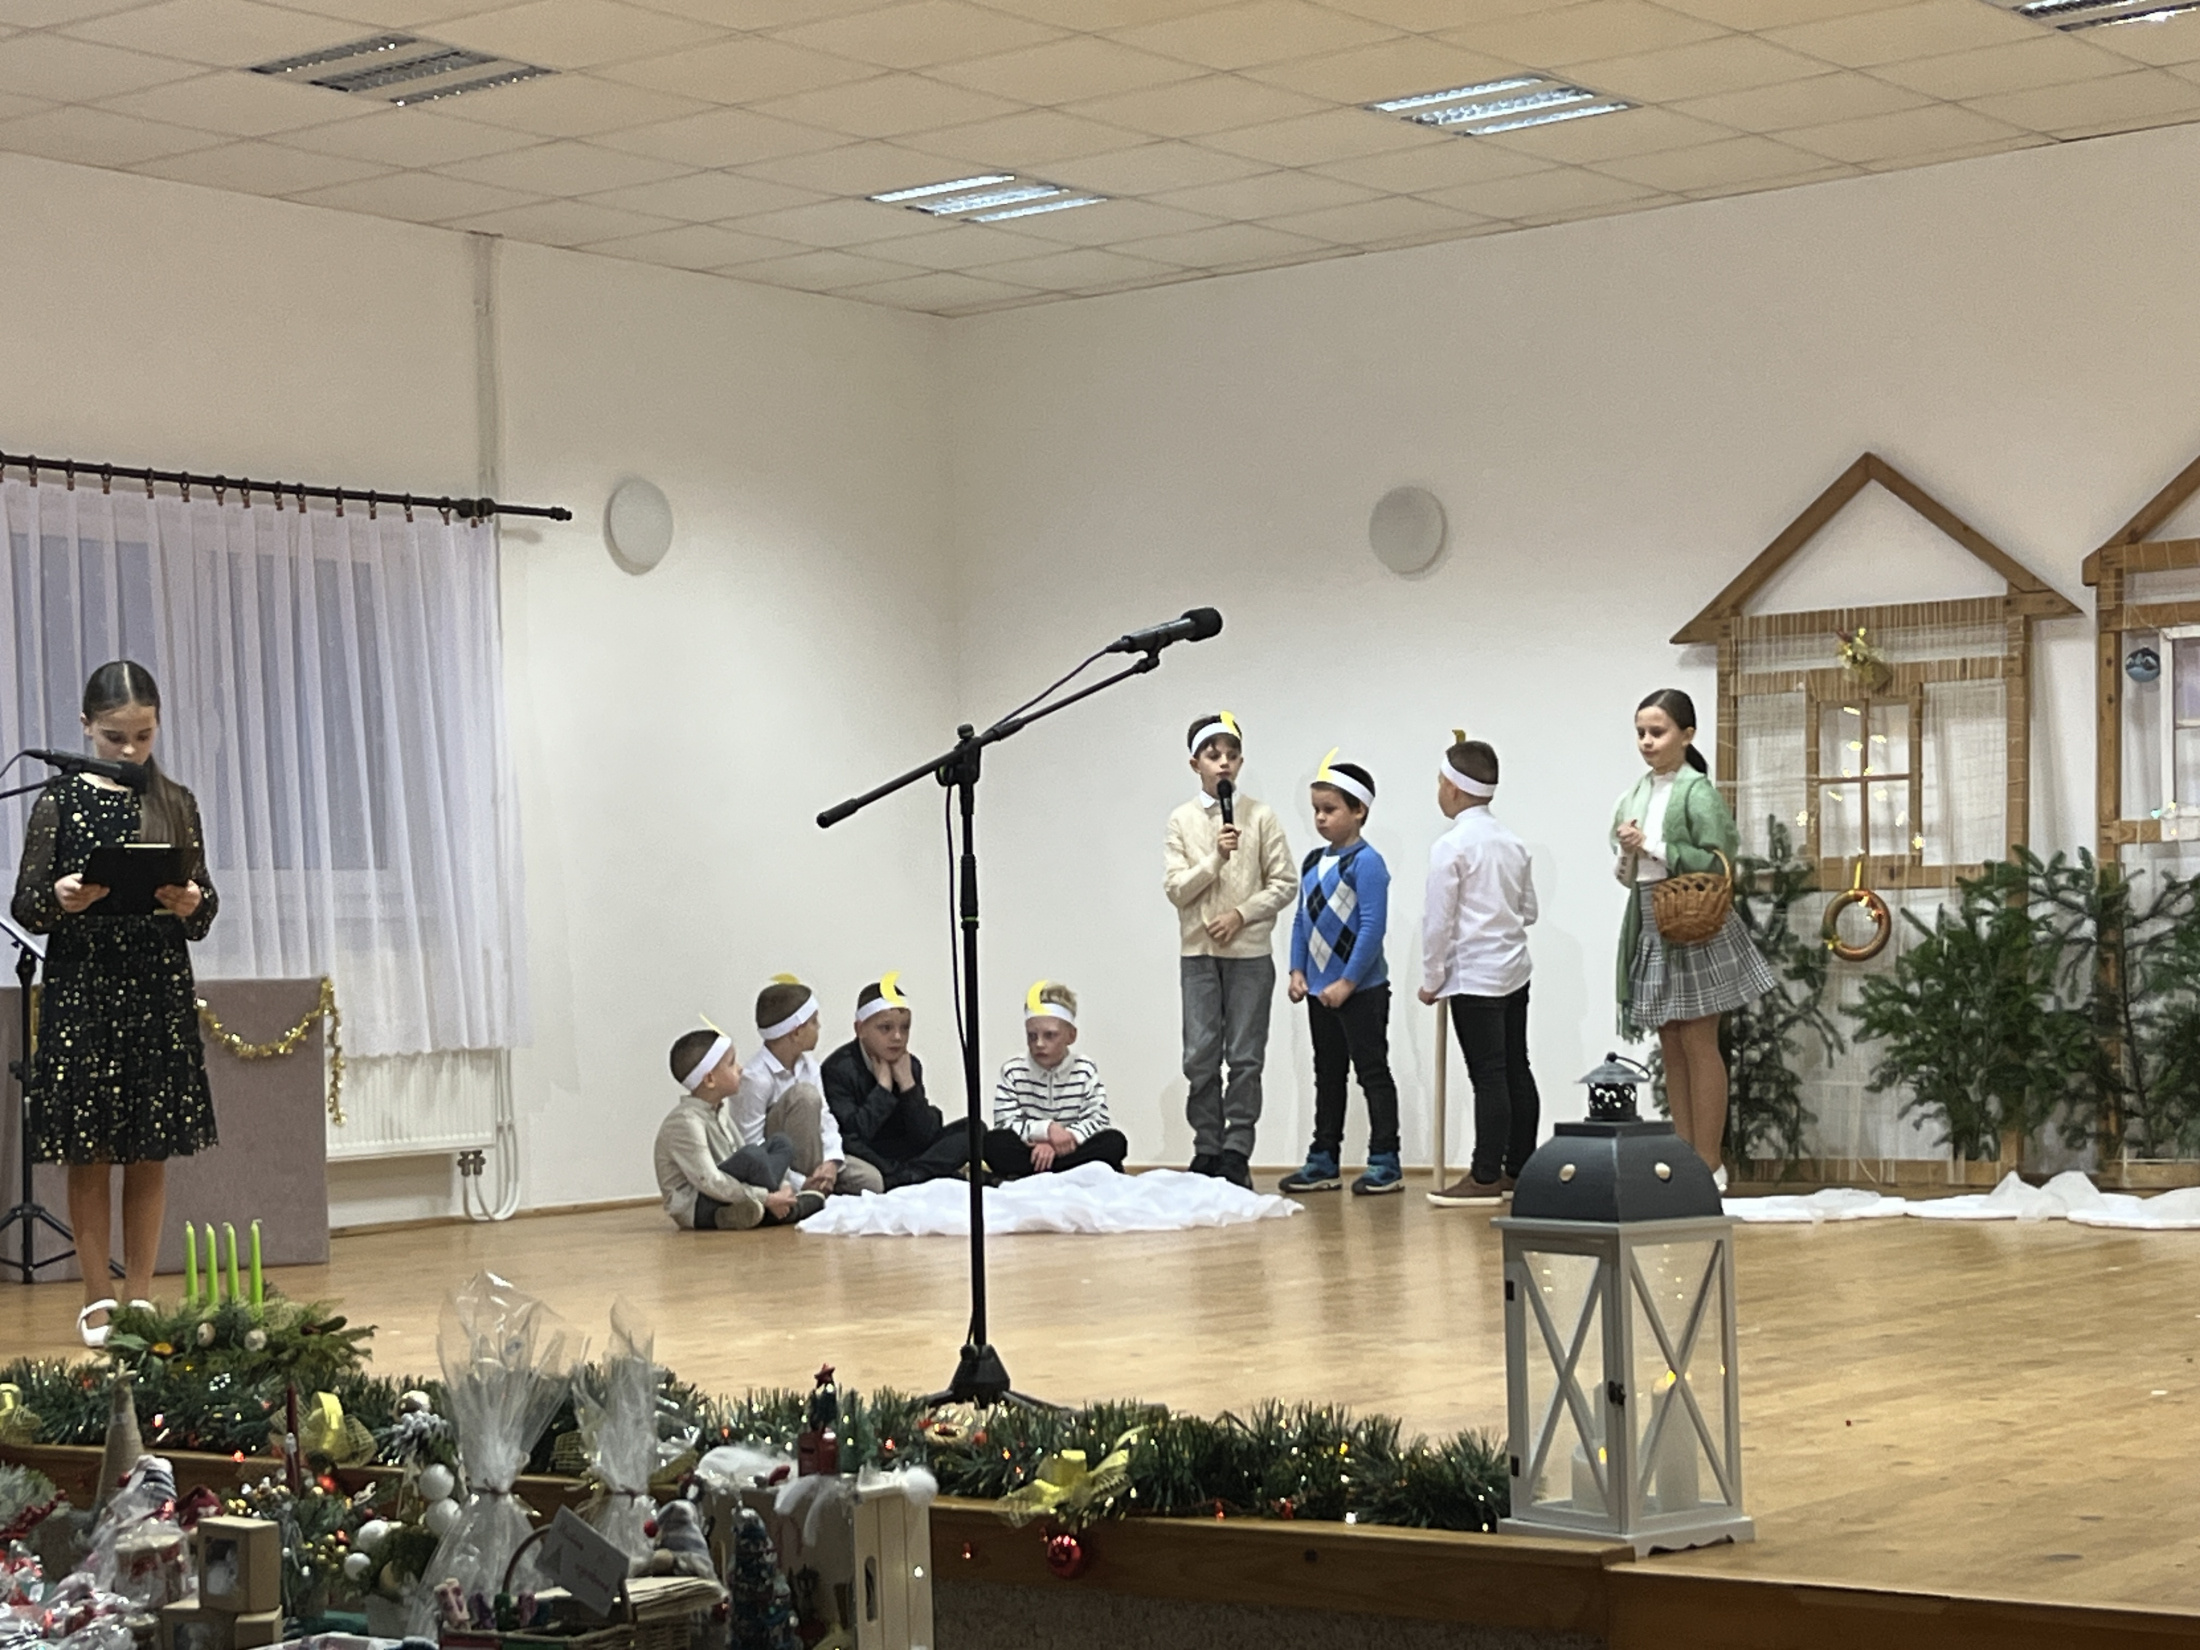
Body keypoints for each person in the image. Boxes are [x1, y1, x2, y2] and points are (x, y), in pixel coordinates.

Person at [11, 662, 218, 1348]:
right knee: (90, 1150)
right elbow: (27, 904)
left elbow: (204, 907)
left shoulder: (175, 800)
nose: (130, 750)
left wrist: (191, 901)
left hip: (156, 983)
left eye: (143, 736)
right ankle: (97, 1297)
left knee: (148, 1149)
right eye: (114, 737)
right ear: (85, 727)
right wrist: (61, 897)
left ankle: (141, 1297)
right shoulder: (60, 802)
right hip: (85, 986)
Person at [1612, 689, 1776, 1190]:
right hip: (1651, 914)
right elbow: (1626, 876)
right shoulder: (1633, 794)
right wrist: (1627, 852)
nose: (1647, 741)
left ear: (1687, 735)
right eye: (1641, 732)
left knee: (1698, 1039)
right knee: (1670, 1039)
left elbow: (1719, 857)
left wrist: (1653, 845)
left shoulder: (1697, 790)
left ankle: (1709, 1160)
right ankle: (1685, 1154)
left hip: (1694, 915)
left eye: (1657, 732)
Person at [1164, 711, 1295, 1189]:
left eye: (1232, 755)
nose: (1224, 763)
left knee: (1245, 1057)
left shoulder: (1261, 816)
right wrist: (1216, 857)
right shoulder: (1181, 820)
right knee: (1200, 1055)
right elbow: (1176, 889)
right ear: (1194, 763)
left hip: (1249, 956)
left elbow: (1285, 883)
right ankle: (1207, 1146)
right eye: (1213, 755)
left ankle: (1237, 1149)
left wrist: (1241, 915)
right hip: (1199, 955)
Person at [1420, 735, 1543, 1207]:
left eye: (1440, 781)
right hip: (1515, 970)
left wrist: (1432, 980)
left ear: (1453, 788)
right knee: (1516, 1067)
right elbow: (1529, 911)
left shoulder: (1450, 847)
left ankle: (1485, 1174)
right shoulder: (1513, 843)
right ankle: (1519, 1168)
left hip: (1473, 976)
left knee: (1487, 1075)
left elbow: (1438, 922)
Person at [1279, 754, 1401, 1196]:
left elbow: (1371, 927)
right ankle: (1323, 1158)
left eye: (1329, 809)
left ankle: (1385, 1159)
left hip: (1361, 991)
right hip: (1320, 992)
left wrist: (1348, 981)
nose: (1320, 818)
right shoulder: (1313, 861)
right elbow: (1301, 920)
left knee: (1372, 1072)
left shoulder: (1367, 863)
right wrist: (1297, 970)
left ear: (1359, 810)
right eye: (1316, 810)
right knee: (1327, 1075)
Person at [654, 1026, 826, 1231]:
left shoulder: (719, 1111)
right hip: (699, 1204)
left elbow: (741, 1156)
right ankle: (785, 1209)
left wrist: (784, 1186)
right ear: (709, 1079)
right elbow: (710, 1181)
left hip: (731, 1192)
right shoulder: (685, 1122)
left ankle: (753, 1211)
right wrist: (768, 1197)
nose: (740, 1068)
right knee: (752, 1155)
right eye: (731, 1063)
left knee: (781, 1144)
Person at [734, 977, 885, 1197]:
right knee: (804, 1096)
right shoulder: (755, 1078)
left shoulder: (809, 1067)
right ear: (796, 1032)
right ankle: (807, 1192)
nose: (819, 1026)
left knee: (872, 1182)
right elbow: (752, 1145)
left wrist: (831, 1162)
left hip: (816, 1157)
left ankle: (819, 1185)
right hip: (779, 1168)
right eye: (813, 1021)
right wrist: (799, 1182)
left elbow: (825, 1118)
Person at [820, 975, 968, 1189]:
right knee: (851, 1146)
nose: (898, 1037)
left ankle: (912, 1176)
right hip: (871, 1156)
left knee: (973, 1129)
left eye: (905, 1028)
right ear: (860, 1030)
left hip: (908, 1154)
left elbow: (926, 1137)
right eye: (886, 1028)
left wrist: (908, 1086)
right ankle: (919, 1174)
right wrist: (883, 1089)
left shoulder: (910, 1065)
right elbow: (851, 1136)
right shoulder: (838, 1068)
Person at [986, 981, 1128, 1180]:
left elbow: (1098, 1120)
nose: (1039, 1044)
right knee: (993, 1142)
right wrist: (1045, 1132)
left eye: (1050, 1035)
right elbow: (1005, 1122)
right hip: (1031, 1149)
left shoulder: (1084, 1069)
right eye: (1032, 1036)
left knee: (1114, 1141)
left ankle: (1042, 1171)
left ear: (1071, 1036)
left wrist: (1064, 1140)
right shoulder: (1013, 1071)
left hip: (1072, 1148)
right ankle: (1068, 1172)